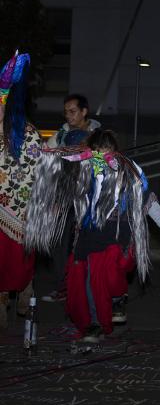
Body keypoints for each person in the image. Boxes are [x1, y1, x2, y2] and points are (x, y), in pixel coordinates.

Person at [25, 129, 160, 342]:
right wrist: (55, 205)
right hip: (90, 231)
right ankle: (93, 324)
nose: (102, 158)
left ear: (114, 151)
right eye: (97, 153)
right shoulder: (83, 168)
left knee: (111, 273)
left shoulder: (129, 170)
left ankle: (118, 298)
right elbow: (65, 188)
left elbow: (148, 199)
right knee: (88, 280)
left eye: (106, 152)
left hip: (119, 231)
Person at [41, 94, 101, 304]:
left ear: (84, 111)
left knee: (84, 245)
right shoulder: (60, 135)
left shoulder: (98, 135)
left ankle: (83, 289)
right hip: (63, 196)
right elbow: (46, 161)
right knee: (59, 242)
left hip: (89, 197)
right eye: (66, 112)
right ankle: (62, 286)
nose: (69, 116)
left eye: (73, 111)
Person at [0, 51, 40, 329]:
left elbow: (38, 172)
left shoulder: (28, 134)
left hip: (20, 213)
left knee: (18, 263)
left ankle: (26, 289)